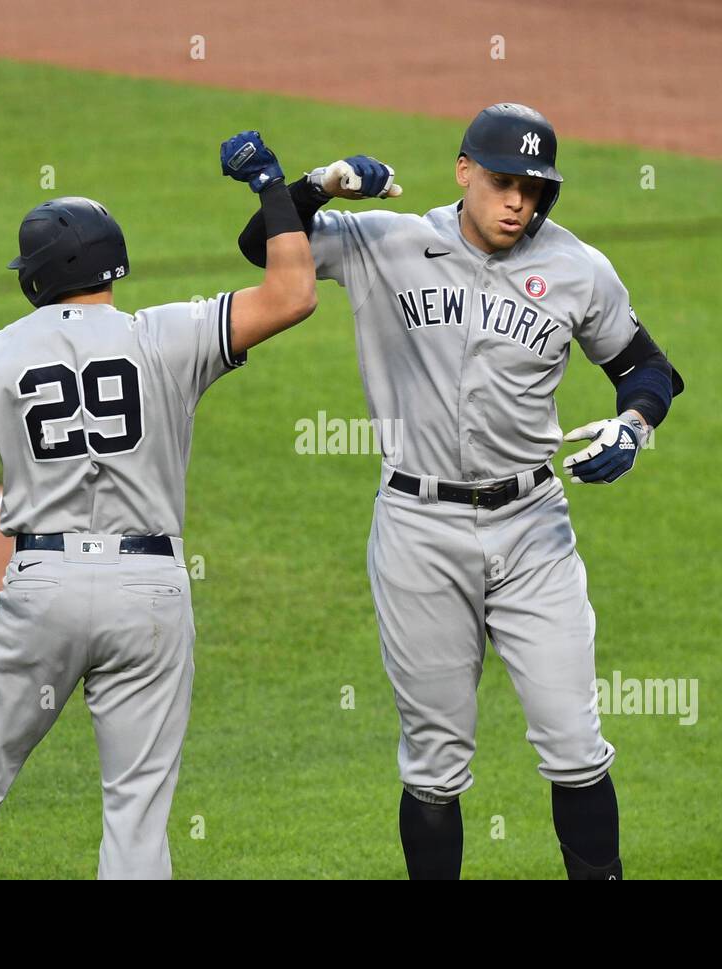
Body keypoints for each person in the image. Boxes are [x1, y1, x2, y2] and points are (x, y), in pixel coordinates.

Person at [236, 103, 684, 879]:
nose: (521, 203)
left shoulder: (580, 269)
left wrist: (633, 428)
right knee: (435, 764)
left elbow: (648, 369)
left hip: (533, 527)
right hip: (418, 528)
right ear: (464, 171)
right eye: (506, 182)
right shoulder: (388, 242)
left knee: (575, 746)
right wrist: (319, 183)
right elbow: (261, 247)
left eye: (536, 189)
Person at [0, 131, 312, 879]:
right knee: (137, 808)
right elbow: (292, 294)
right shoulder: (167, 335)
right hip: (148, 592)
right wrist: (275, 188)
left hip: (42, 590)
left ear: (38, 276)